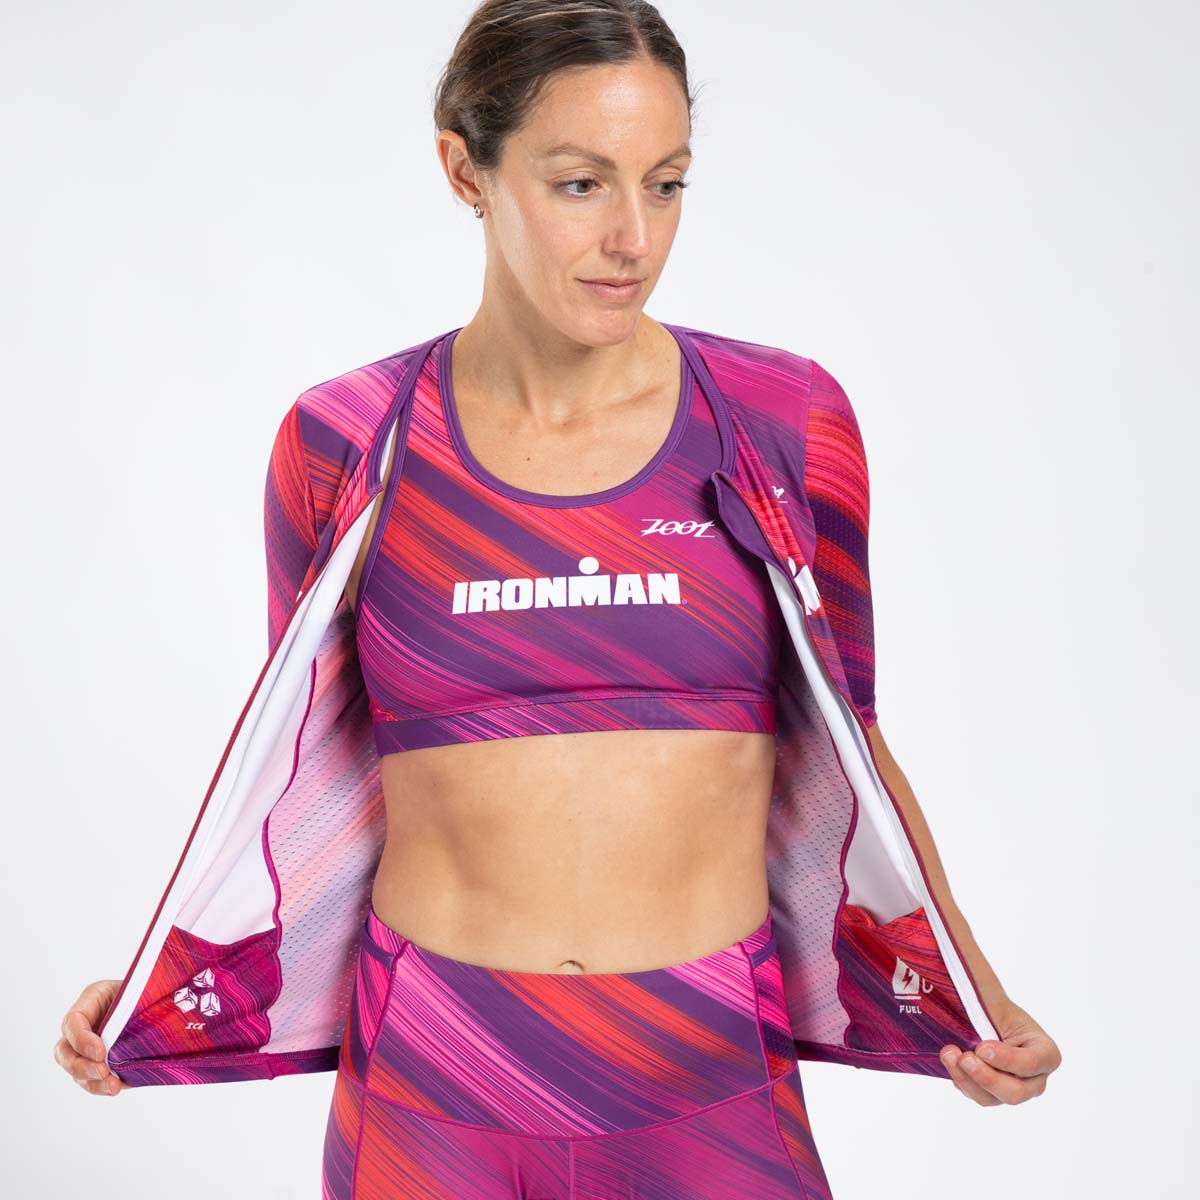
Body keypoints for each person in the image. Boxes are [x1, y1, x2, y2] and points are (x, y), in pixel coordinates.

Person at [54, 1, 1061, 1195]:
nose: (633, 237)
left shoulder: (782, 425)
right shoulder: (347, 443)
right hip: (433, 1081)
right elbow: (304, 763)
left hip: (707, 1075)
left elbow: (855, 740)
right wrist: (166, 994)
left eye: (667, 184)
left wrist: (973, 992)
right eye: (581, 184)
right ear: (464, 170)